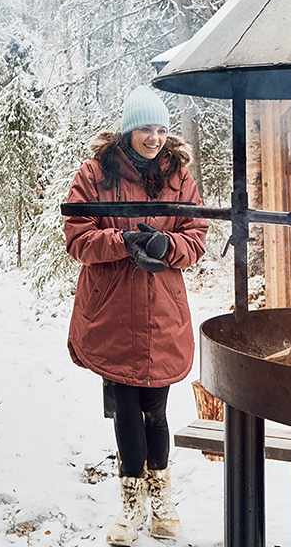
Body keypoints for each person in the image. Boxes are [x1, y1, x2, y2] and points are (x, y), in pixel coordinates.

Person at [64, 85, 209, 545]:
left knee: (157, 410)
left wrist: (169, 247)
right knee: (125, 408)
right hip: (111, 310)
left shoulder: (179, 176)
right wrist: (123, 242)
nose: (155, 138)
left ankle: (162, 497)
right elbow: (77, 237)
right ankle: (131, 506)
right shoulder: (94, 174)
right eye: (146, 128)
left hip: (161, 308)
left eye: (162, 129)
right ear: (128, 130)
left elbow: (196, 235)